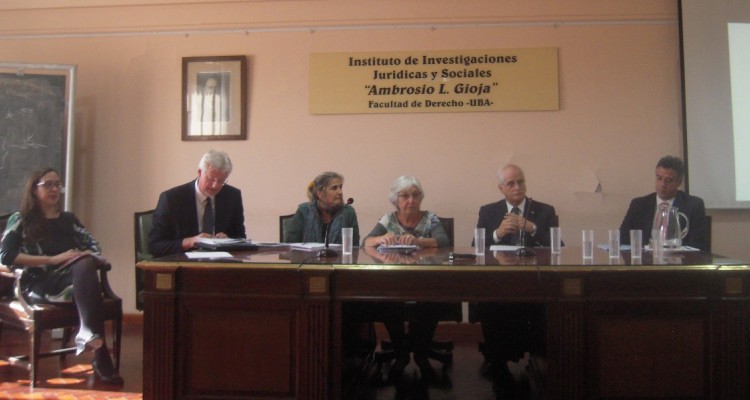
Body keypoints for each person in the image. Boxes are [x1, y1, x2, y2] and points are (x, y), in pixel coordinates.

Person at [0, 168, 123, 384]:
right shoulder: (21, 220)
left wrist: (81, 255)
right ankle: (100, 355)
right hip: (40, 283)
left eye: (57, 184)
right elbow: (5, 256)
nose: (54, 189)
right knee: (88, 284)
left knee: (85, 264)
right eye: (48, 184)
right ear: (34, 189)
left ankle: (88, 335)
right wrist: (52, 259)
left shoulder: (68, 219)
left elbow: (94, 246)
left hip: (71, 281)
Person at [475, 164, 558, 399]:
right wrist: (497, 234)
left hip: (534, 279)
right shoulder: (489, 211)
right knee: (491, 305)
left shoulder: (544, 211)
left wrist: (532, 228)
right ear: (501, 188)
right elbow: (475, 246)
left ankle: (539, 358)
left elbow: (557, 247)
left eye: (520, 182)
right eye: (511, 183)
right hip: (499, 280)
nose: (517, 187)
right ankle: (498, 364)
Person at [363, 175, 450, 382]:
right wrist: (380, 238)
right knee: (387, 305)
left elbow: (444, 241)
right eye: (405, 196)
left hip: (426, 282)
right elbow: (365, 242)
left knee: (430, 305)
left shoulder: (429, 218)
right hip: (394, 282)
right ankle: (401, 353)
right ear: (395, 199)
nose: (411, 200)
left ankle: (421, 355)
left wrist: (419, 241)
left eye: (415, 195)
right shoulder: (388, 219)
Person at [149, 149, 245, 257]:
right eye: (211, 179)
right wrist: (190, 242)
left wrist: (229, 241)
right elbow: (155, 246)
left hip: (221, 264)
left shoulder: (232, 196)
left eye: (221, 181)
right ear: (199, 172)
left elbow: (241, 237)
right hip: (183, 264)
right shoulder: (172, 199)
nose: (215, 186)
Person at [619, 155, 708, 250]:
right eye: (659, 178)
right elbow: (622, 239)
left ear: (679, 182)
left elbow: (699, 244)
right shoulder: (639, 204)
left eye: (668, 180)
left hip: (679, 260)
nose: (662, 184)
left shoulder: (693, 205)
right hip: (646, 260)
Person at [284, 171, 359, 245]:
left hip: (340, 257)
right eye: (334, 188)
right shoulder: (304, 211)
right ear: (320, 194)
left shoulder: (348, 212)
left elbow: (355, 247)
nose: (340, 192)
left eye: (340, 187)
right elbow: (291, 245)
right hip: (307, 257)